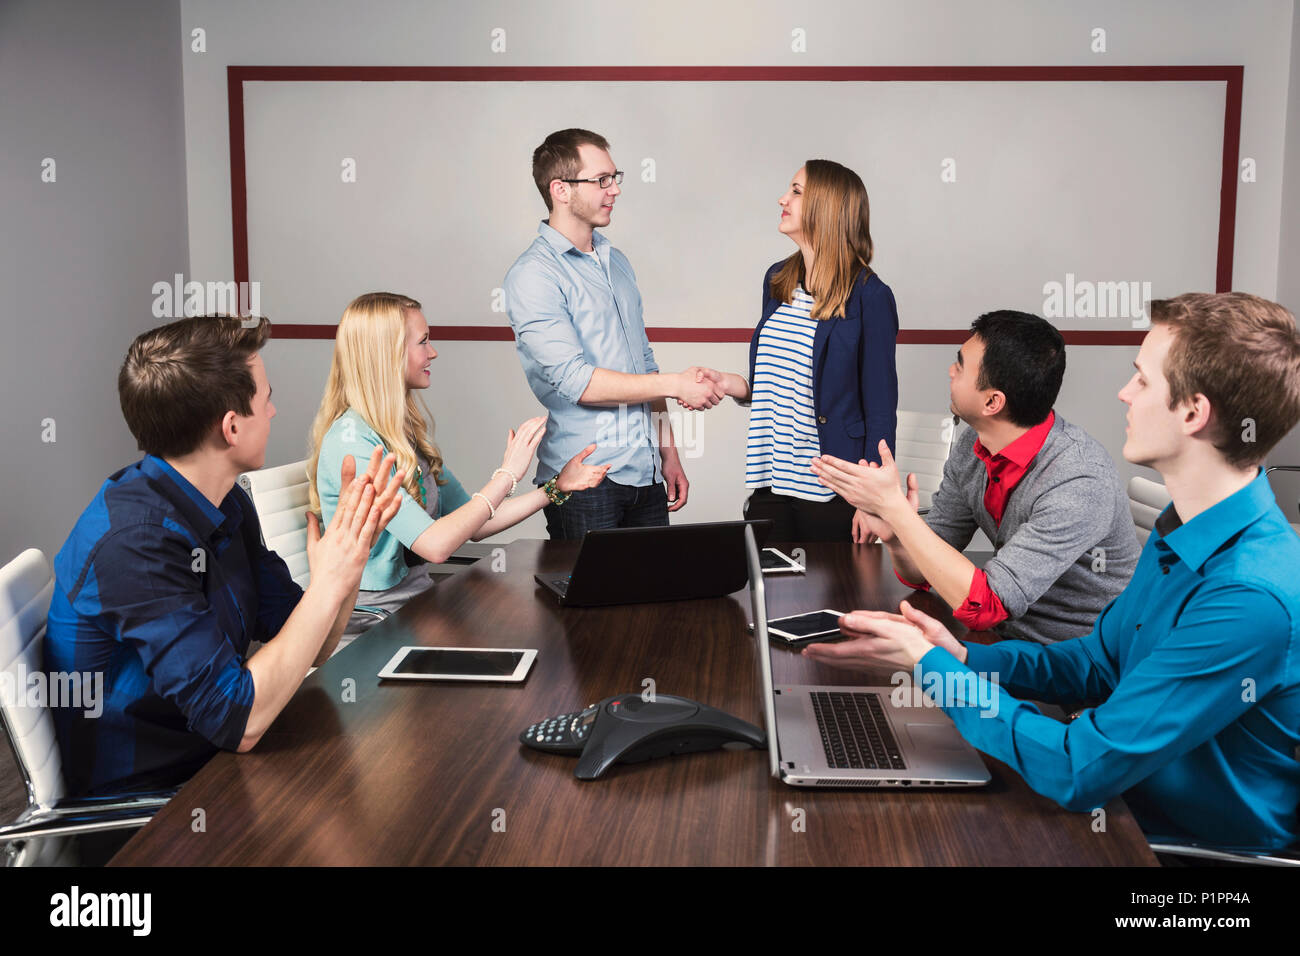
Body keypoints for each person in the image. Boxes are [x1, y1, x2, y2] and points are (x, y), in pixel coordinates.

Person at [805, 292, 1300, 851]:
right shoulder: (1180, 527)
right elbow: (1097, 663)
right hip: (1120, 791)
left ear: (1193, 413)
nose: (1123, 393)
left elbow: (1080, 768)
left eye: (1141, 380)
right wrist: (964, 657)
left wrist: (932, 667)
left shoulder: (1250, 593)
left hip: (1169, 846)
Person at [44, 316, 404, 797]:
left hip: (215, 759)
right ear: (231, 427)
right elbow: (239, 719)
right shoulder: (135, 544)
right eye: (265, 399)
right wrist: (329, 583)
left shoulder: (224, 500)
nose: (274, 411)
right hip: (156, 807)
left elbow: (311, 643)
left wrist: (349, 564)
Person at [811, 310, 1139, 643]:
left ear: (992, 401)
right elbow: (925, 571)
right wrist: (896, 535)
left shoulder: (1078, 480)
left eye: (961, 365)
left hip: (1075, 661)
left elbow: (985, 606)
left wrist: (895, 509)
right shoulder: (974, 443)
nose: (951, 371)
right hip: (1006, 639)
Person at [307, 292, 609, 640]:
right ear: (386, 354)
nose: (433, 352)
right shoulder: (353, 444)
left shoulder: (401, 434)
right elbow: (436, 546)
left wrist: (557, 487)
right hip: (373, 621)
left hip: (417, 606)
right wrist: (508, 474)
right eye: (423, 342)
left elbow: (476, 520)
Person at [503, 128, 727, 539]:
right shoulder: (533, 275)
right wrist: (678, 384)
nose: (615, 190)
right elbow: (578, 382)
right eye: (601, 180)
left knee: (656, 602)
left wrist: (669, 454)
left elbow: (644, 365)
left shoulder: (616, 262)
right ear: (561, 190)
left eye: (615, 177)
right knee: (595, 603)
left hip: (646, 476)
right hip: (585, 480)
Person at [702, 160, 899, 541]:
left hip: (835, 490)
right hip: (770, 482)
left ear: (827, 207)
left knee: (833, 599)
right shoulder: (778, 279)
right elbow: (779, 384)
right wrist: (730, 384)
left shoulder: (870, 297)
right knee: (768, 596)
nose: (782, 199)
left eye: (796, 191)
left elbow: (879, 408)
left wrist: (873, 501)